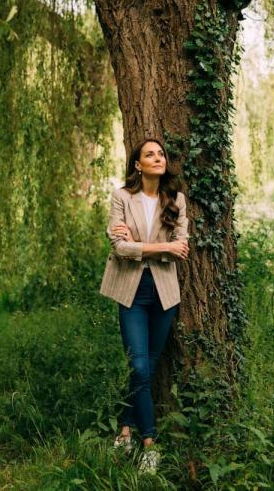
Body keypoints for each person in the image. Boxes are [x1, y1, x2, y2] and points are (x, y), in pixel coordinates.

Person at [99, 138, 190, 474]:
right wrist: (158, 248)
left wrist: (140, 245)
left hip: (165, 293)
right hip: (131, 291)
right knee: (138, 367)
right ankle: (150, 444)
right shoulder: (122, 197)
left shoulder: (176, 199)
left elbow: (182, 246)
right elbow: (121, 248)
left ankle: (124, 431)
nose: (157, 158)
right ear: (137, 164)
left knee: (146, 369)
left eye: (161, 153)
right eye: (149, 154)